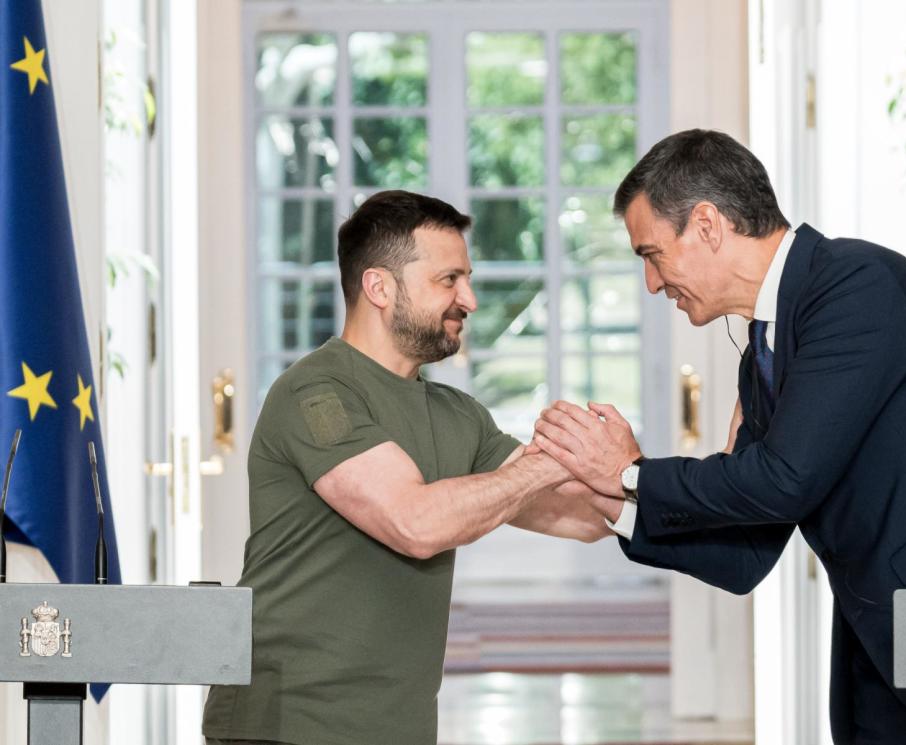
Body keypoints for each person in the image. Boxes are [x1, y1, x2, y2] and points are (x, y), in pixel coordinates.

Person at [532, 129, 906, 744]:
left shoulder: (856, 283)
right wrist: (613, 502)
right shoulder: (762, 354)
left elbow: (786, 480)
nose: (652, 284)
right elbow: (745, 553)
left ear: (706, 225)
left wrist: (631, 472)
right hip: (882, 633)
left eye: (651, 254)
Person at [202, 190, 612, 745]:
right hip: (290, 723)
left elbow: (582, 518)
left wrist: (633, 470)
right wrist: (553, 460)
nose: (468, 298)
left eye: (466, 278)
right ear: (379, 287)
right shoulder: (315, 392)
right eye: (449, 280)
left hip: (397, 726)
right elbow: (415, 524)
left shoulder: (456, 414)